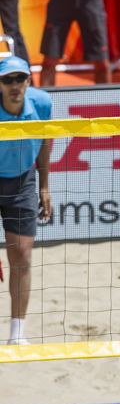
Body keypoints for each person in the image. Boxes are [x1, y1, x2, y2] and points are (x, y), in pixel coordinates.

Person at [0, 56, 52, 345]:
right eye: (7, 79)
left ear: (29, 81)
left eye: (20, 78)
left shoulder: (41, 103)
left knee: (21, 256)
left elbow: (45, 141)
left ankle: (16, 336)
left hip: (22, 180)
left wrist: (44, 186)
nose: (14, 84)